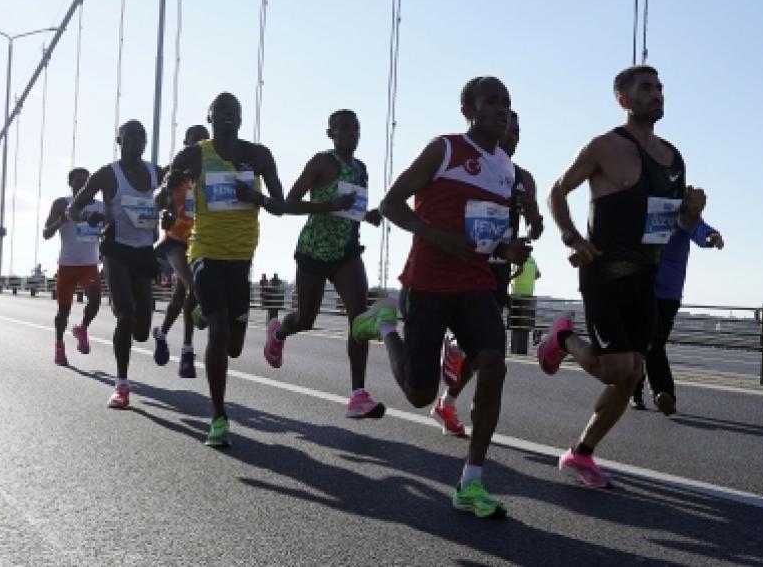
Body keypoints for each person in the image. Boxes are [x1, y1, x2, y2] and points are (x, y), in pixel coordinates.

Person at [352, 76, 525, 518]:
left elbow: (491, 233)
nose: (502, 110)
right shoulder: (444, 150)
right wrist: (435, 235)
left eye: (506, 103)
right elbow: (391, 204)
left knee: (493, 362)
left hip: (475, 283)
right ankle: (385, 324)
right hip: (428, 282)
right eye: (492, 102)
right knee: (417, 392)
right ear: (469, 109)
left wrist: (507, 248)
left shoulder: (506, 168)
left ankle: (472, 481)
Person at [537, 64, 706, 489]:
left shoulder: (673, 157)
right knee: (616, 371)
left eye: (660, 87)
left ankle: (581, 453)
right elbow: (557, 190)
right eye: (646, 88)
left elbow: (672, 223)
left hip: (646, 278)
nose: (657, 94)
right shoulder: (604, 147)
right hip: (605, 274)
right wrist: (572, 237)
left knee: (633, 373)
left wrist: (692, 214)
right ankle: (562, 339)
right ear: (623, 99)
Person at [160, 92, 284, 447]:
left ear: (242, 119)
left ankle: (202, 310)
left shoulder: (258, 155)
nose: (228, 117)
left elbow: (281, 204)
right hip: (206, 252)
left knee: (234, 346)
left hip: (242, 258)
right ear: (210, 117)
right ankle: (218, 417)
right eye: (221, 112)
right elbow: (163, 195)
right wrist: (170, 189)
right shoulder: (195, 154)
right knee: (218, 331)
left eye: (234, 112)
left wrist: (256, 197)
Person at [263, 109, 387, 419]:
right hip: (313, 252)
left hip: (346, 253)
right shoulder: (321, 162)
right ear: (330, 133)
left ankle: (358, 395)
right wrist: (329, 205)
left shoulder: (361, 168)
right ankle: (278, 333)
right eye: (343, 128)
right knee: (306, 320)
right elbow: (287, 204)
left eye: (355, 128)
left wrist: (367, 214)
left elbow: (351, 209)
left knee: (359, 320)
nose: (351, 134)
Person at [433, 108, 543, 438]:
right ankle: (453, 349)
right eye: (510, 129)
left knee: (488, 350)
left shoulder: (524, 178)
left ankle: (447, 402)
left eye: (519, 132)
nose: (514, 136)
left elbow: (535, 224)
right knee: (485, 346)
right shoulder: (473, 166)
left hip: (499, 270)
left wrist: (534, 223)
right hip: (467, 263)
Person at [69, 120, 163, 410]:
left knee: (142, 331)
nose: (136, 140)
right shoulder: (108, 175)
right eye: (130, 135)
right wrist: (89, 217)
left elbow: (179, 197)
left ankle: (136, 317)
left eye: (141, 136)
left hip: (145, 253)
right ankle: (121, 385)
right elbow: (75, 208)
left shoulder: (156, 173)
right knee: (126, 315)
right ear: (119, 140)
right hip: (116, 251)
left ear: (145, 143)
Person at [631, 220, 723, 413]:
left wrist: (710, 237)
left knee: (652, 344)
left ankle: (634, 389)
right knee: (653, 343)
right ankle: (663, 394)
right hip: (644, 287)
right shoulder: (650, 207)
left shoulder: (682, 212)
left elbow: (697, 227)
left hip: (671, 293)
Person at [152, 124, 212, 378]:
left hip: (199, 240)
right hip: (174, 240)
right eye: (194, 139)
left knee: (181, 298)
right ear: (186, 141)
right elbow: (159, 196)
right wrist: (164, 203)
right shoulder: (174, 171)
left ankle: (161, 333)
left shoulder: (209, 172)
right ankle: (187, 352)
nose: (198, 143)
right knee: (194, 287)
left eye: (203, 139)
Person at [42, 168, 105, 367]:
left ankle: (83, 328)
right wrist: (62, 219)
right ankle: (59, 346)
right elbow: (46, 233)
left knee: (95, 301)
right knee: (63, 311)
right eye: (78, 181)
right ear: (70, 183)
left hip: (90, 265)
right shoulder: (62, 203)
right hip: (67, 265)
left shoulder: (101, 206)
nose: (82, 185)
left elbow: (110, 231)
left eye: (86, 182)